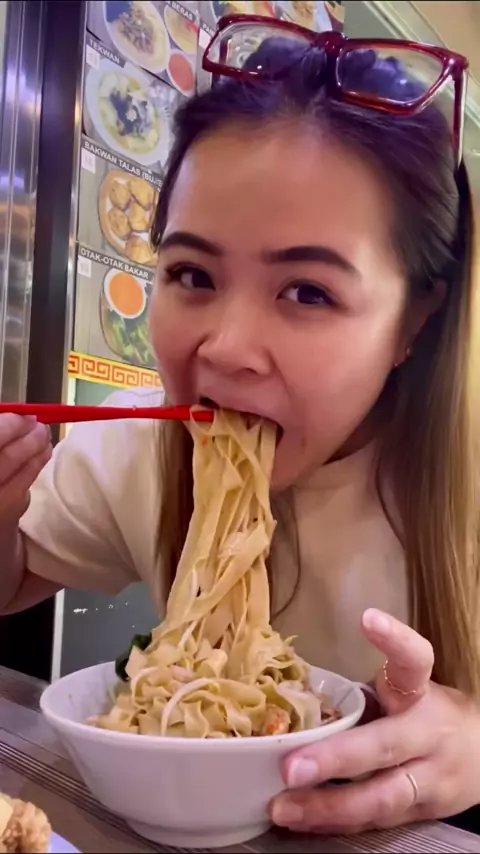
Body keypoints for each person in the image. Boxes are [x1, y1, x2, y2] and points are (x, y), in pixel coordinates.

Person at [0, 18, 479, 836]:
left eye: (307, 292)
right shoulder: (138, 446)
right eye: (192, 273)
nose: (224, 347)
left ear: (413, 323)